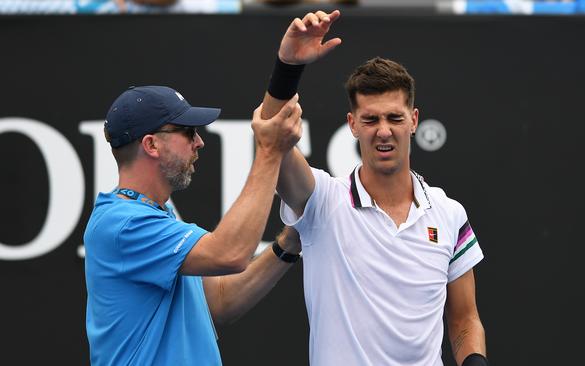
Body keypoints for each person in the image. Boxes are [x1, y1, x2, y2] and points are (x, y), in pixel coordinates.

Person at [259, 10, 489, 366]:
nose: (384, 131)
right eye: (371, 119)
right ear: (353, 124)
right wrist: (287, 67)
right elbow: (274, 139)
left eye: (395, 118)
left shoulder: (449, 214)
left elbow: (464, 320)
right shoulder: (321, 200)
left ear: (413, 121)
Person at [84, 85, 304, 365]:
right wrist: (270, 151)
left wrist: (290, 241)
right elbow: (230, 254)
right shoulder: (124, 224)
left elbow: (220, 300)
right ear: (151, 144)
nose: (199, 141)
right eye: (188, 132)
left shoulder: (157, 212)